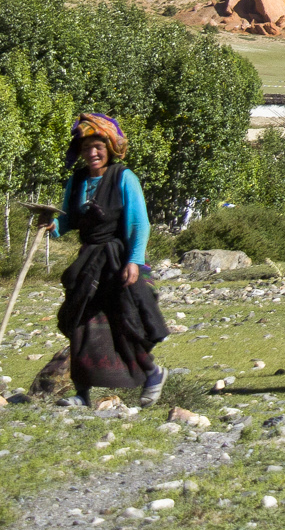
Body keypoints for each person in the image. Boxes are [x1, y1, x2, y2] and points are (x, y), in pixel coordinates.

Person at [48, 113, 171, 406]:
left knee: (125, 322)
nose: (92, 153)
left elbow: (140, 224)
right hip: (88, 263)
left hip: (118, 261)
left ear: (110, 148)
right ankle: (82, 393)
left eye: (98, 147)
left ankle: (153, 373)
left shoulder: (123, 177)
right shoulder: (76, 182)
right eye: (87, 147)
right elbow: (66, 223)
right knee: (80, 323)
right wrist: (50, 225)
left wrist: (134, 261)